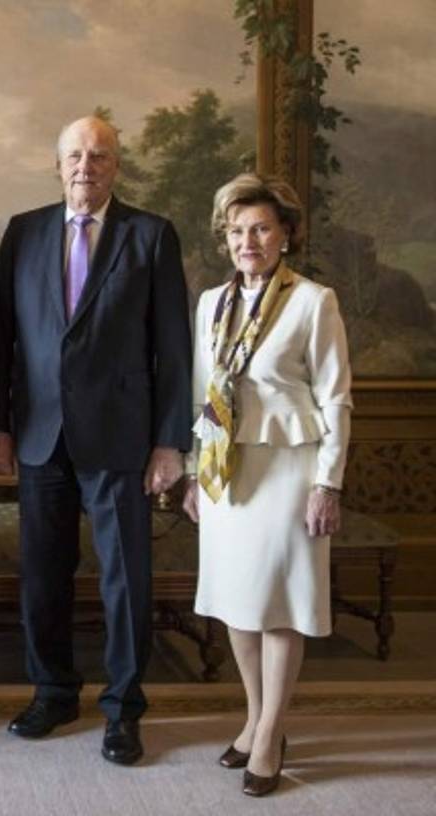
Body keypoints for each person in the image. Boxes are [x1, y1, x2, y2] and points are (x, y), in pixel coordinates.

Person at [0, 116, 192, 765]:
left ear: (115, 166)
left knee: (125, 577)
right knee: (43, 574)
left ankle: (124, 709)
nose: (85, 166)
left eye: (98, 156)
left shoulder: (150, 235)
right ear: (58, 162)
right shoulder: (25, 232)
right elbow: (1, 339)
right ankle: (54, 691)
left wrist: (169, 442)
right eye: (74, 154)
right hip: (40, 435)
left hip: (122, 438)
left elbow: (173, 350)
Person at [182, 173, 351, 797]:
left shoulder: (313, 301)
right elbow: (205, 393)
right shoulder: (210, 303)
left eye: (259, 228)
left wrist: (325, 484)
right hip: (228, 472)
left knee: (278, 604)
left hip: (289, 470)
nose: (247, 240)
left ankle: (273, 732)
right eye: (236, 230)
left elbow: (336, 399)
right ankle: (254, 719)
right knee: (237, 602)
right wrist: (199, 474)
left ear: (285, 235)